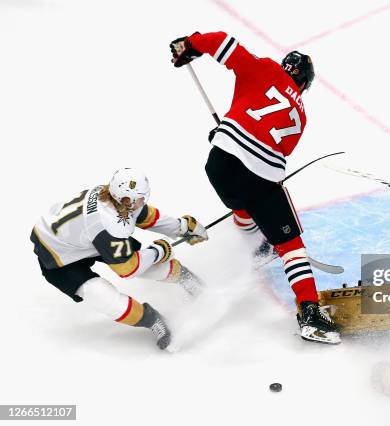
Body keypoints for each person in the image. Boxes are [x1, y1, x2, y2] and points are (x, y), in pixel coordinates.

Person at [169, 31, 339, 344]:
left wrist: (190, 45)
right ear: (305, 84)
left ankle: (254, 243)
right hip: (257, 174)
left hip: (218, 164)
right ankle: (310, 312)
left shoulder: (262, 67)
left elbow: (221, 40)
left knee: (240, 196)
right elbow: (273, 151)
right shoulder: (301, 114)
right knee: (291, 243)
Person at [30, 168, 209, 350]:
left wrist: (181, 227)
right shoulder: (109, 224)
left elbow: (144, 215)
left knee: (147, 263)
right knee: (101, 296)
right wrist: (159, 251)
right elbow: (127, 268)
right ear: (125, 200)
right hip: (57, 257)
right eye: (139, 198)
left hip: (82, 237)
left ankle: (186, 278)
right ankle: (151, 319)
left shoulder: (113, 197)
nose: (142, 201)